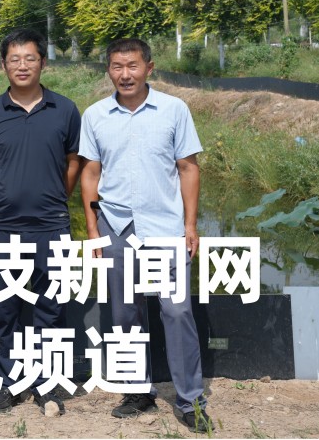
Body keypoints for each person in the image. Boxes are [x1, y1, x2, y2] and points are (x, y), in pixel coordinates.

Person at [80, 38, 211, 433]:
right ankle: (137, 391)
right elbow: (90, 173)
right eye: (117, 66)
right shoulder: (96, 115)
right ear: (108, 70)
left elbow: (188, 168)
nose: (125, 74)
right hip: (116, 225)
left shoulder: (174, 109)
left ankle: (190, 400)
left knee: (177, 311)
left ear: (149, 68)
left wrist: (190, 225)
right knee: (125, 314)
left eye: (133, 66)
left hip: (165, 227)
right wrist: (92, 229)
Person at [0, 29, 80, 416]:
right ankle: (8, 383)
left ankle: (48, 386)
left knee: (52, 310)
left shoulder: (65, 110)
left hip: (53, 227)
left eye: (30, 58)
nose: (22, 65)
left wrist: (55, 196)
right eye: (14, 59)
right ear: (3, 65)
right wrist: (4, 194)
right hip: (4, 229)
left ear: (43, 62)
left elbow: (73, 162)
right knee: (5, 310)